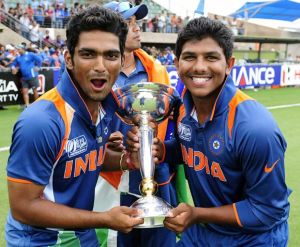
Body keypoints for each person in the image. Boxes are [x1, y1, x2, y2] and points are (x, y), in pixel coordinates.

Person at [127, 17, 291, 246]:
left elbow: (266, 211)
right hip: (203, 233)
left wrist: (197, 214)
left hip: (253, 239)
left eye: (211, 57)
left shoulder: (255, 129)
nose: (200, 67)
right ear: (177, 62)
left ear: (229, 64)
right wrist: (161, 150)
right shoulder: (181, 107)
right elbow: (193, 146)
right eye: (190, 57)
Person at [5, 6, 144, 246]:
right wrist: (103, 219)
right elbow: (23, 207)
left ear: (122, 60)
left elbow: (81, 159)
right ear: (69, 59)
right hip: (41, 241)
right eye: (88, 54)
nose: (100, 65)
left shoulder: (106, 105)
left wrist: (126, 161)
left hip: (82, 235)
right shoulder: (40, 122)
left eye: (110, 55)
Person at [94, 1, 185, 246]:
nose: (136, 29)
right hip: (111, 177)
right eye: (127, 23)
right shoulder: (94, 72)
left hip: (156, 174)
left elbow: (173, 123)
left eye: (136, 22)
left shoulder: (156, 69)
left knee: (161, 241)